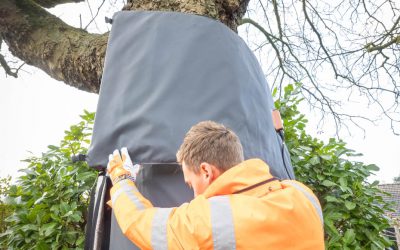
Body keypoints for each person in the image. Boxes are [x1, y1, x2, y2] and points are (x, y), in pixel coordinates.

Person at [107, 121, 325, 249]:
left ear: (206, 171)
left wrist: (121, 177)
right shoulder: (302, 195)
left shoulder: (210, 218)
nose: (193, 194)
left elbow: (140, 222)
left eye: (190, 183)